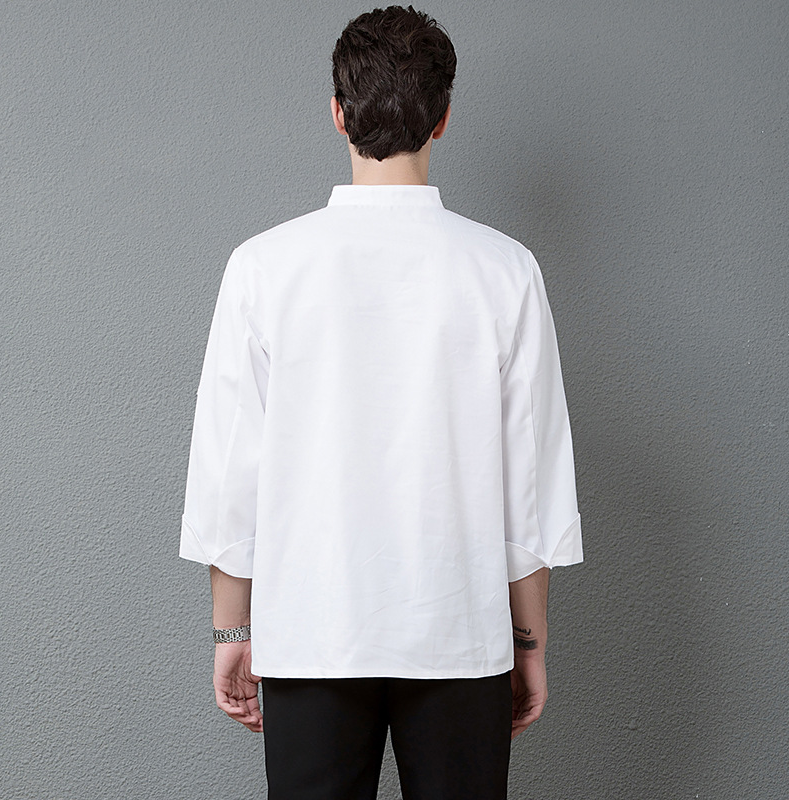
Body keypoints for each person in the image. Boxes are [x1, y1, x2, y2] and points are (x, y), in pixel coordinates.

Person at [179, 5, 583, 799]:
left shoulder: (263, 267)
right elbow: (529, 483)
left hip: (311, 634)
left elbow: (230, 472)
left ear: (338, 113)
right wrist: (529, 640)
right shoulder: (505, 270)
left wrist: (233, 628)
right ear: (443, 118)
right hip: (459, 633)